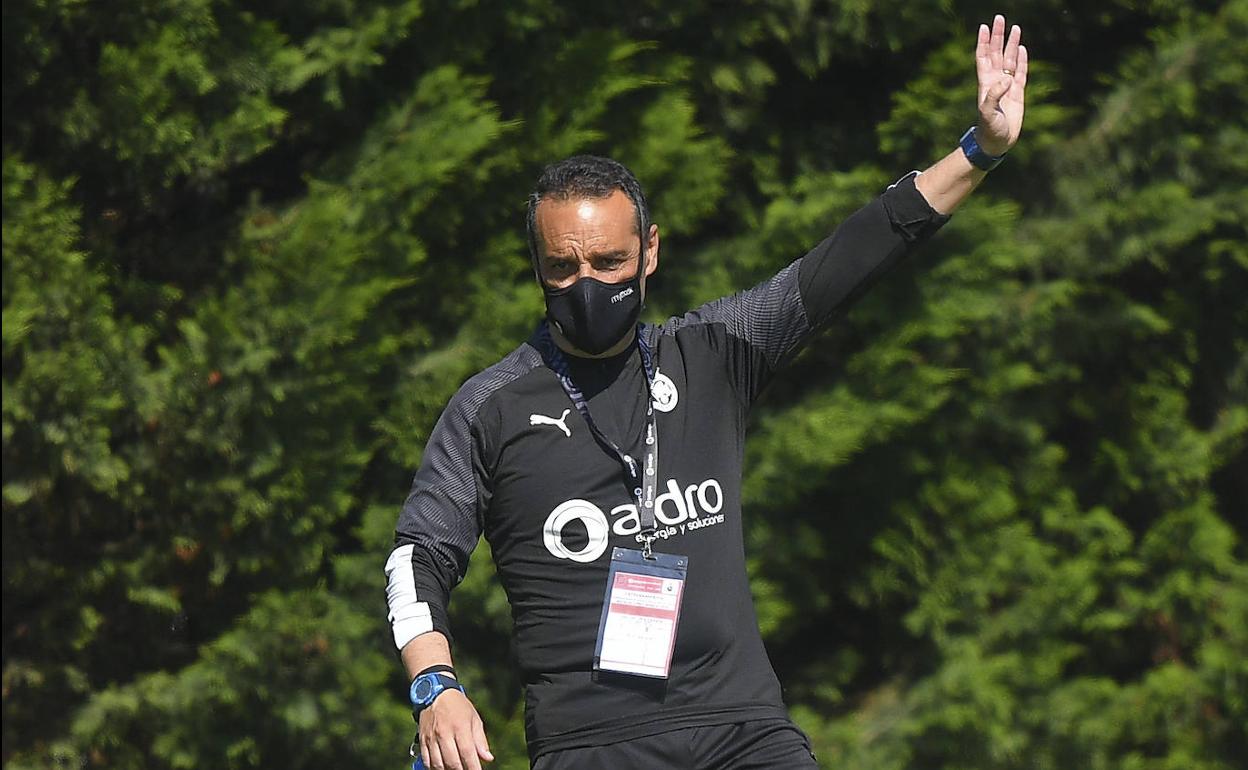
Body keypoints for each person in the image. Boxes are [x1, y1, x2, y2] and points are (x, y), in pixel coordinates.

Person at [385, 15, 1028, 770]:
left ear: (649, 251)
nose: (587, 283)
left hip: (744, 727)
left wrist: (981, 150)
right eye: (563, 268)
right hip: (592, 744)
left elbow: (854, 254)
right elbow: (417, 556)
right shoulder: (489, 407)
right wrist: (435, 685)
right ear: (536, 266)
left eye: (609, 261)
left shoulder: (715, 353)